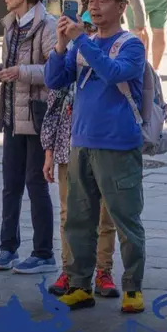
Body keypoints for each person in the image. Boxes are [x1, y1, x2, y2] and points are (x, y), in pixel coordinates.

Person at [45, 0, 147, 314]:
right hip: (81, 142)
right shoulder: (82, 43)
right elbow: (54, 80)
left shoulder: (131, 44)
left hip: (117, 144)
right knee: (78, 218)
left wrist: (79, 41)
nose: (94, 6)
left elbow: (112, 72)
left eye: (103, 0)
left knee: (125, 219)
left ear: (121, 7)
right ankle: (79, 285)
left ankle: (132, 287)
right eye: (90, 0)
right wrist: (61, 45)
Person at [0, 0, 58, 273]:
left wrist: (22, 72)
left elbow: (57, 71)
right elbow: (9, 63)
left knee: (35, 184)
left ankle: (44, 253)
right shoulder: (12, 25)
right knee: (10, 184)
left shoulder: (47, 26)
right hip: (12, 116)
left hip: (37, 116)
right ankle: (8, 248)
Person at [40, 71, 121, 299]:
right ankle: (70, 271)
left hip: (107, 148)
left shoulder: (115, 57)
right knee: (69, 215)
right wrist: (49, 153)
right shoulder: (69, 63)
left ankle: (103, 271)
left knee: (106, 215)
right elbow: (53, 109)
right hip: (70, 150)